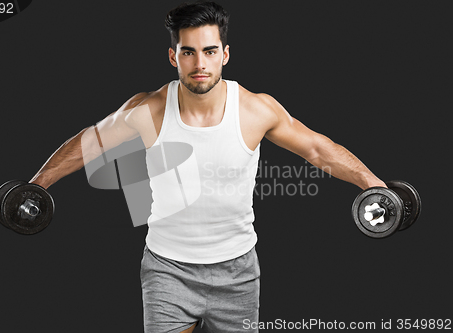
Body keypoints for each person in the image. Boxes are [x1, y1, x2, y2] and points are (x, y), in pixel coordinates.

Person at [29, 2, 386, 332]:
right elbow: (90, 144)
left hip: (238, 273)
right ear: (173, 56)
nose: (200, 64)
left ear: (225, 55)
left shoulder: (254, 110)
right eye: (189, 52)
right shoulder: (149, 110)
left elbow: (319, 151)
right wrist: (37, 185)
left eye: (209, 51)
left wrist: (373, 184)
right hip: (167, 269)